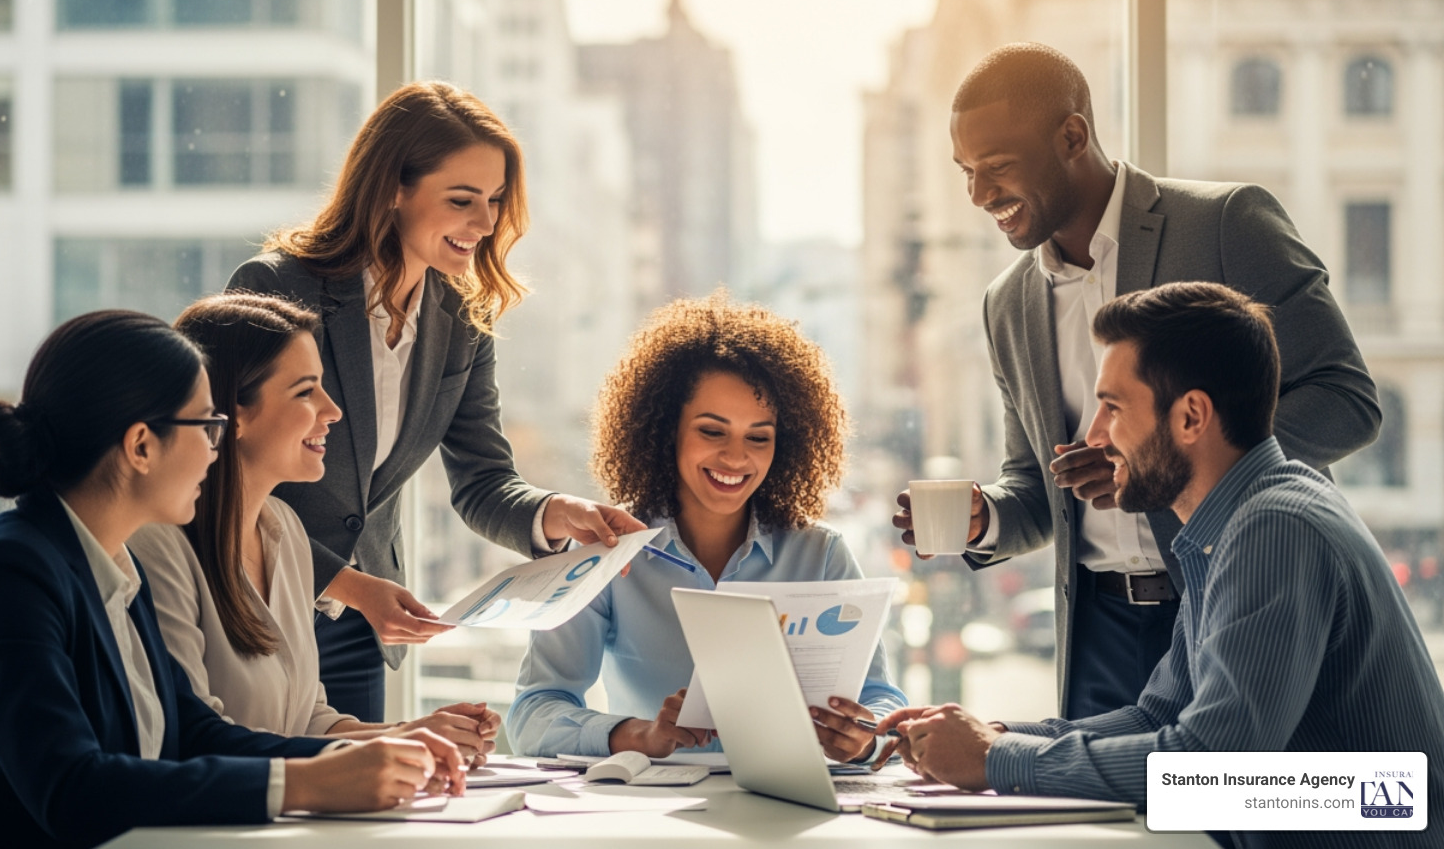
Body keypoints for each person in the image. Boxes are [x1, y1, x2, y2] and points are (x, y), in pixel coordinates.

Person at [892, 43, 1380, 718]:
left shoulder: (1226, 225)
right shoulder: (1007, 303)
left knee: (1228, 788)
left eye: (997, 167)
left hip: (1240, 602)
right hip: (1098, 635)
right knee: (1091, 789)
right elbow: (1036, 487)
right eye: (967, 172)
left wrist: (1166, 464)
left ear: (1072, 137)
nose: (978, 195)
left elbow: (1347, 399)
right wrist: (988, 517)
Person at [878, 284, 1444, 849]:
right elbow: (1158, 716)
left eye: (1113, 408)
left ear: (1191, 416)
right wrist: (991, 735)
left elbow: (1210, 769)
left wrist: (996, 758)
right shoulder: (1230, 525)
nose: (1095, 436)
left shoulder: (1275, 527)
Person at [0, 310, 466, 849]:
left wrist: (350, 759)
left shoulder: (113, 566)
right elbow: (72, 789)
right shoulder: (9, 575)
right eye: (206, 426)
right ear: (141, 446)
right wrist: (309, 784)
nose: (214, 450)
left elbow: (193, 733)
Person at [228, 81, 643, 721]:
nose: (486, 223)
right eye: (461, 200)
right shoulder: (277, 285)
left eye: (495, 201)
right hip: (257, 602)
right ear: (393, 188)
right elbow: (225, 471)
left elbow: (483, 482)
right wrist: (347, 583)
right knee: (266, 774)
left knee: (360, 782)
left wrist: (557, 512)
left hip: (362, 625)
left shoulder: (461, 321)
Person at [507, 293, 907, 761]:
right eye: (712, 431)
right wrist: (639, 735)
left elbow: (881, 701)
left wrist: (864, 739)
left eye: (758, 437)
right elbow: (532, 715)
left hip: (789, 801)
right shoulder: (608, 550)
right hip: (660, 800)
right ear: (666, 429)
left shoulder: (821, 554)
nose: (736, 457)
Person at [127, 293, 498, 764]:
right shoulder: (158, 545)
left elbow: (308, 719)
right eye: (305, 392)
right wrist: (393, 745)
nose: (333, 410)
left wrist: (415, 733)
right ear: (233, 414)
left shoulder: (285, 530)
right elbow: (196, 741)